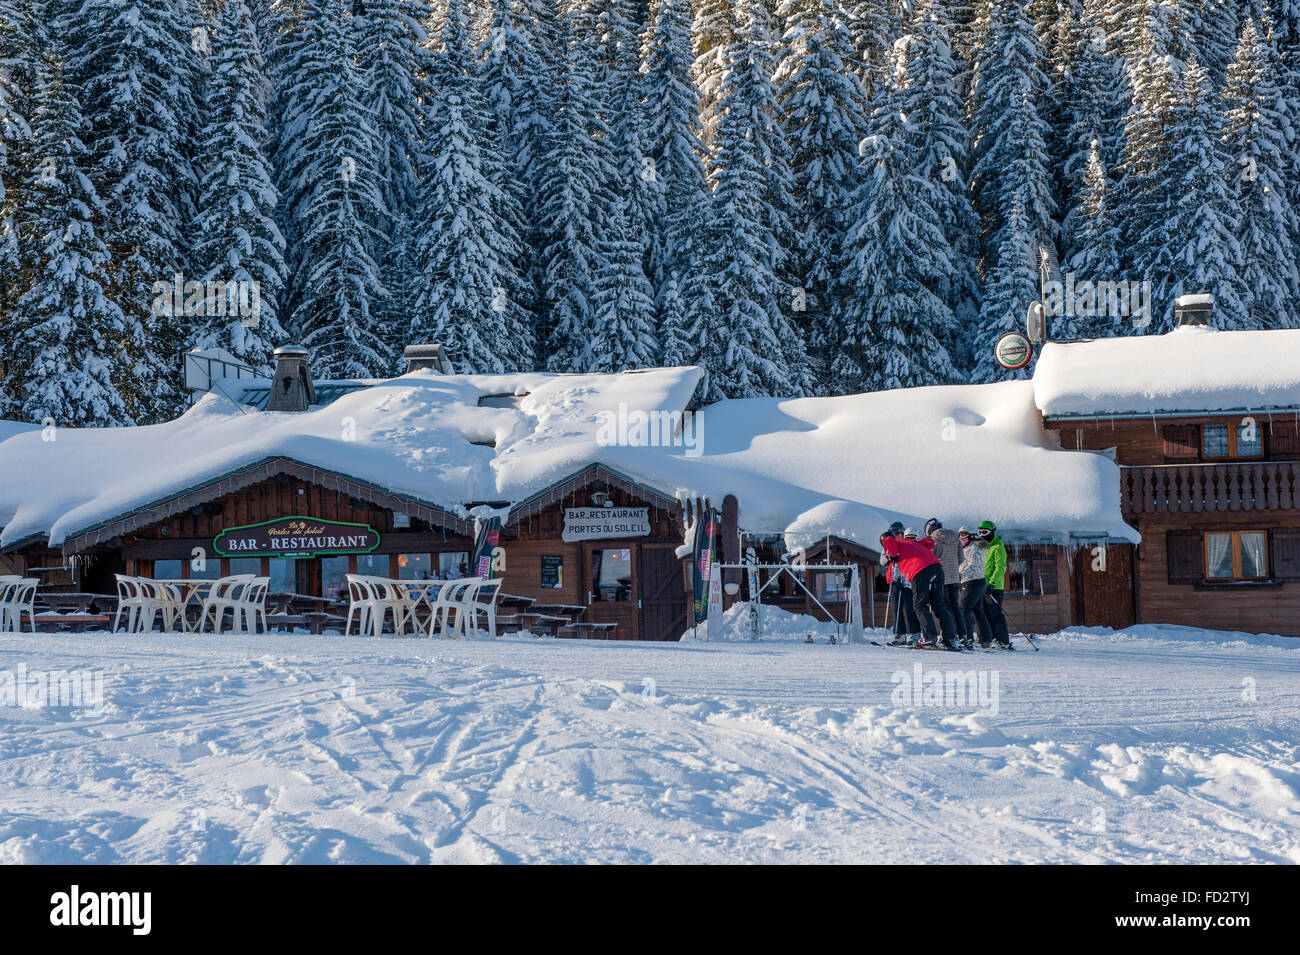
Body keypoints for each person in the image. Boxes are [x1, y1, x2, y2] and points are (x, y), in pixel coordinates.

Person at [880, 528, 960, 650]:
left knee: (919, 605)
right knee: (939, 605)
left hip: (920, 571)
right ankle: (950, 638)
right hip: (937, 568)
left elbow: (890, 545)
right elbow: (928, 543)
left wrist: (887, 544)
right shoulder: (912, 543)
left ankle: (930, 637)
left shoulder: (893, 542)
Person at [924, 518, 965, 643]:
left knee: (945, 609)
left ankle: (950, 635)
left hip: (941, 579)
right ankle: (962, 634)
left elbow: (930, 559)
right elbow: (961, 558)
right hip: (954, 578)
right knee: (955, 607)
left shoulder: (933, 540)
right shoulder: (954, 536)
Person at [978, 521, 1013, 649]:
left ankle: (1003, 640)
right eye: (980, 532)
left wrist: (991, 583)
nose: (982, 535)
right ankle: (991, 638)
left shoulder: (998, 547)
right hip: (982, 586)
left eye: (985, 532)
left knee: (995, 614)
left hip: (994, 587)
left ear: (992, 532)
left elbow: (1001, 567)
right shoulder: (983, 548)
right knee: (985, 614)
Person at [881, 532, 920, 643]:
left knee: (910, 609)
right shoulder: (894, 545)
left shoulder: (911, 547)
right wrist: (888, 555)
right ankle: (900, 634)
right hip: (895, 580)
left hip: (908, 582)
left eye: (912, 538)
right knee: (896, 609)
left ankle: (915, 633)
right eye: (907, 537)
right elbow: (882, 561)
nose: (909, 540)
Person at [956, 527, 991, 649]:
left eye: (964, 534)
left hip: (972, 582)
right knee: (978, 611)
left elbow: (973, 566)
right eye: (960, 535)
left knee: (963, 609)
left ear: (971, 535)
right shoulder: (969, 548)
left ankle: (967, 639)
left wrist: (960, 575)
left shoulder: (974, 548)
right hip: (976, 582)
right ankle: (985, 639)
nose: (961, 537)